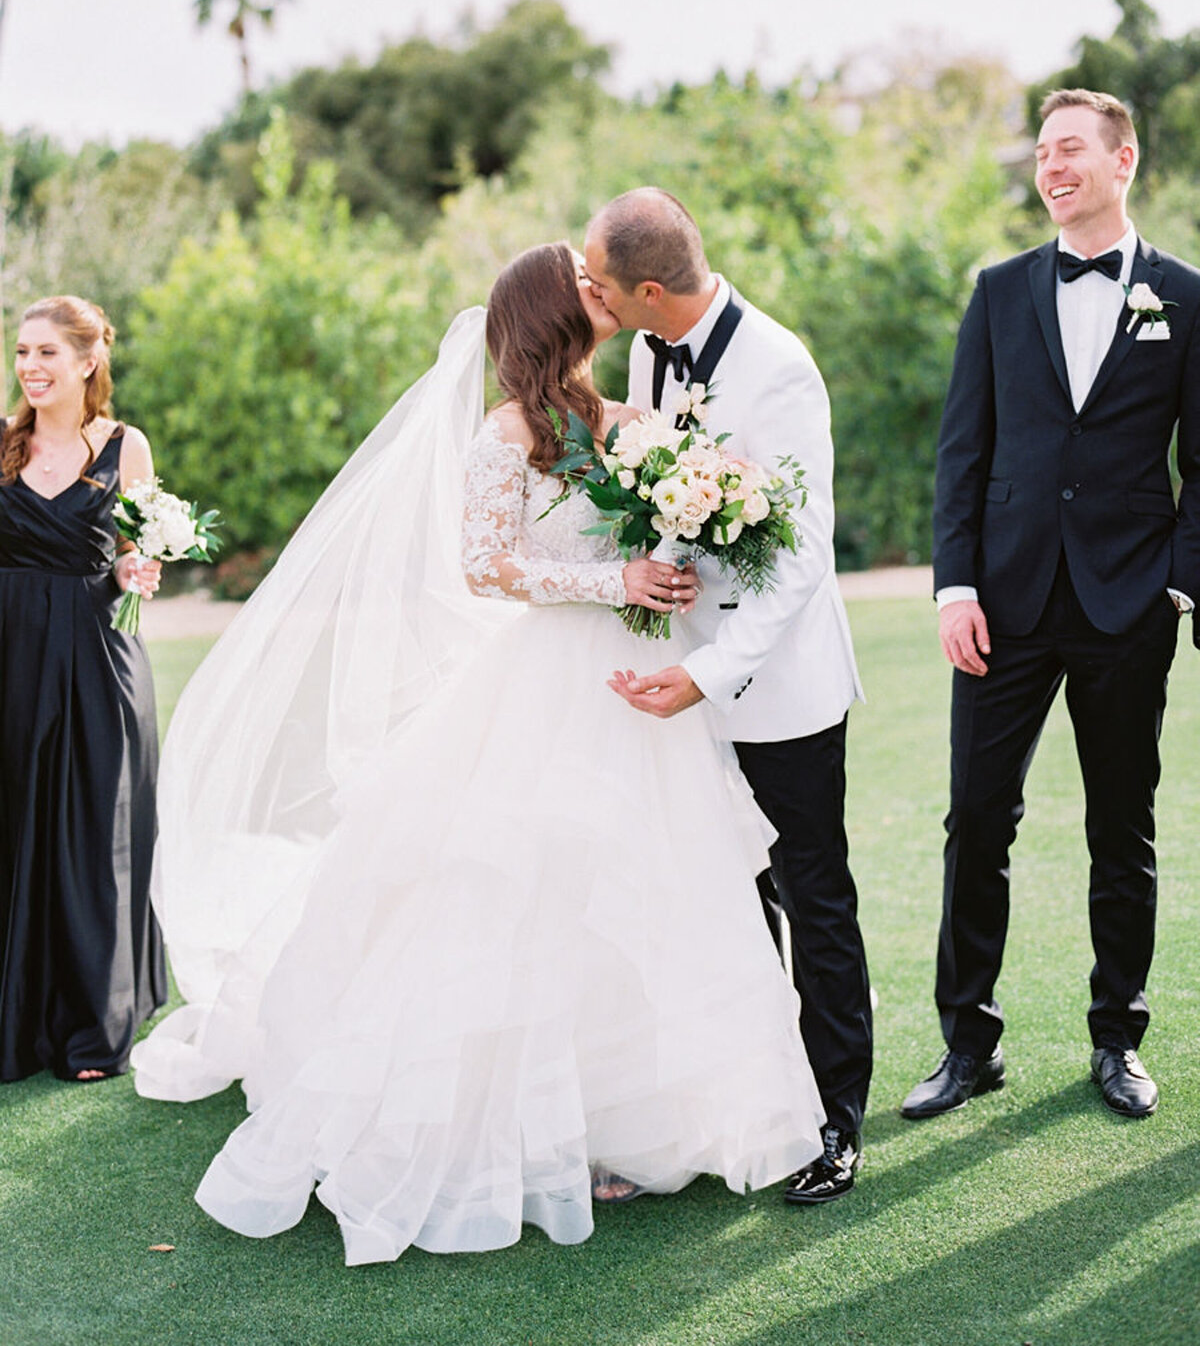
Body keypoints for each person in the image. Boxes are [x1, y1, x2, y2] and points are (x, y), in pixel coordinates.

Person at [132, 244, 825, 1264]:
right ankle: (522, 1124)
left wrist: (679, 554)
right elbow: (487, 564)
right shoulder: (508, 433)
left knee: (643, 887)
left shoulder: (627, 418)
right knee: (517, 893)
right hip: (547, 681)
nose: (600, 297)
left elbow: (669, 527)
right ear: (550, 315)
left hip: (642, 688)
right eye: (583, 289)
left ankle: (628, 1116)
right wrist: (613, 585)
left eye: (603, 285)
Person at [902, 88, 1200, 1124]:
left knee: (1124, 827)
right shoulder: (997, 293)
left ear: (1124, 161)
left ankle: (1117, 1039)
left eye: (1071, 148)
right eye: (1041, 151)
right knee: (976, 820)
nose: (1052, 165)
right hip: (1006, 602)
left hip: (1129, 603)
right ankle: (965, 1044)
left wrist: (1180, 580)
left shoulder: (1185, 297)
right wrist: (954, 584)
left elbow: (1199, 463)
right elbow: (961, 452)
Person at [583, 189, 872, 1205]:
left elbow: (799, 562)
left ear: (650, 289)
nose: (593, 297)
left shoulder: (779, 369)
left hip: (777, 687)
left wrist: (708, 671)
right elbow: (666, 493)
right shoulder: (648, 354)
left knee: (809, 897)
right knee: (723, 900)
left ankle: (835, 1115)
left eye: (603, 283)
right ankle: (745, 1104)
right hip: (688, 677)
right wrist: (658, 576)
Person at [0, 295, 165, 1082]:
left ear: (87, 361)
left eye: (46, 354)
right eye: (22, 352)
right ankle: (20, 1013)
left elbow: (135, 547)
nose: (29, 367)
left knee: (99, 827)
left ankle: (94, 1024)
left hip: (100, 653)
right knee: (15, 820)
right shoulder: (3, 444)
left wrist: (138, 565)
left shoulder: (126, 446)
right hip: (12, 655)